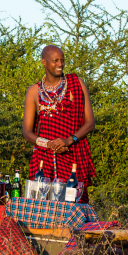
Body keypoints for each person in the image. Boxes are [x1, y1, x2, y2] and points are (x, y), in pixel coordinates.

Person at [22, 45, 96, 203]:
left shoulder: (76, 84)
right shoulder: (34, 91)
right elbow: (27, 132)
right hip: (44, 158)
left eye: (62, 60)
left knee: (73, 205)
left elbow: (90, 122)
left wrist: (69, 140)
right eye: (55, 60)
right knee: (41, 208)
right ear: (44, 62)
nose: (60, 64)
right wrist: (49, 144)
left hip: (72, 155)